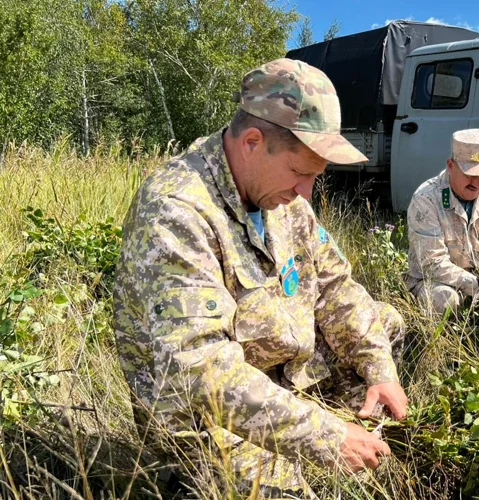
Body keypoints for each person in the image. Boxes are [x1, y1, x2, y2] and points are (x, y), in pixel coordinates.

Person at [113, 58, 408, 499]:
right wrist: (326, 437)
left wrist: (380, 369)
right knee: (286, 493)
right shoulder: (176, 211)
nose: (306, 194)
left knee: (384, 323)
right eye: (300, 173)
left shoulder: (283, 198)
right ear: (253, 141)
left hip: (277, 371)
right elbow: (200, 371)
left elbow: (335, 287)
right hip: (202, 409)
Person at [406, 129, 479, 315]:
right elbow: (431, 263)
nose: (478, 183)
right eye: (470, 173)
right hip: (437, 281)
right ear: (451, 166)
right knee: (445, 300)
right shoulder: (426, 199)